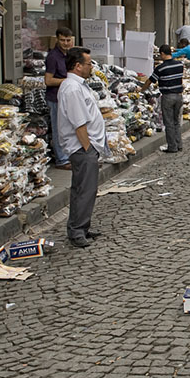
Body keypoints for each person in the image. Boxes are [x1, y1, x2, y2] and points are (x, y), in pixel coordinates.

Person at [57, 47, 110, 247]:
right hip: (82, 147)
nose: (91, 67)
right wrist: (88, 148)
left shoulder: (78, 86)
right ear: (78, 66)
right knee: (84, 189)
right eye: (88, 64)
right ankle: (77, 230)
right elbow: (78, 122)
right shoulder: (72, 88)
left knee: (85, 188)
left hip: (86, 146)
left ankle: (82, 226)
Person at [142, 45, 188, 153]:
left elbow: (150, 81)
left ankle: (172, 147)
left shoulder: (160, 68)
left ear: (162, 53)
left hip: (168, 97)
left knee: (169, 123)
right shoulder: (179, 65)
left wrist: (142, 89)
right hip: (179, 96)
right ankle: (179, 144)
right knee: (176, 121)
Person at [44, 27, 73, 168]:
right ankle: (61, 160)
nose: (66, 43)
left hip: (67, 97)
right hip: (55, 98)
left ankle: (68, 156)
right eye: (62, 40)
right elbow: (48, 80)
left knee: (67, 128)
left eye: (68, 40)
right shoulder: (53, 57)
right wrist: (68, 81)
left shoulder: (69, 55)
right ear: (57, 39)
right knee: (58, 129)